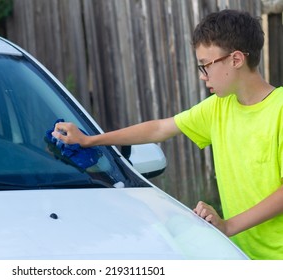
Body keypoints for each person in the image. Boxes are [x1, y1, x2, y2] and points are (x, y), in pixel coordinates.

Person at [52, 9, 283, 260]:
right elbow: (160, 128)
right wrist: (90, 140)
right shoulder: (219, 107)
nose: (201, 74)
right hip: (238, 255)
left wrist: (228, 226)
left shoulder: (279, 110)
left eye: (205, 65)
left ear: (236, 59)